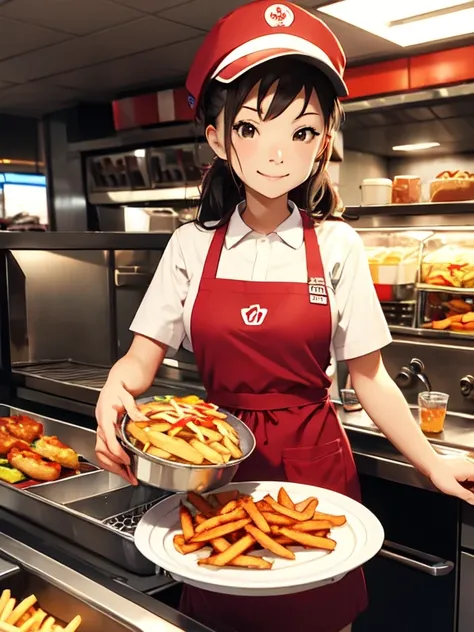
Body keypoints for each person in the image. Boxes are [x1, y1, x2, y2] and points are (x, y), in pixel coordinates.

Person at [95, 2, 474, 631]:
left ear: (323, 140)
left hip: (316, 466)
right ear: (217, 136)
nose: (277, 154)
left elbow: (371, 377)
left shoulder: (338, 244)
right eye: (251, 129)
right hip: (213, 468)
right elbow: (139, 360)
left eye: (300, 132)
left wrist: (432, 463)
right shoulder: (190, 245)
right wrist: (115, 393)